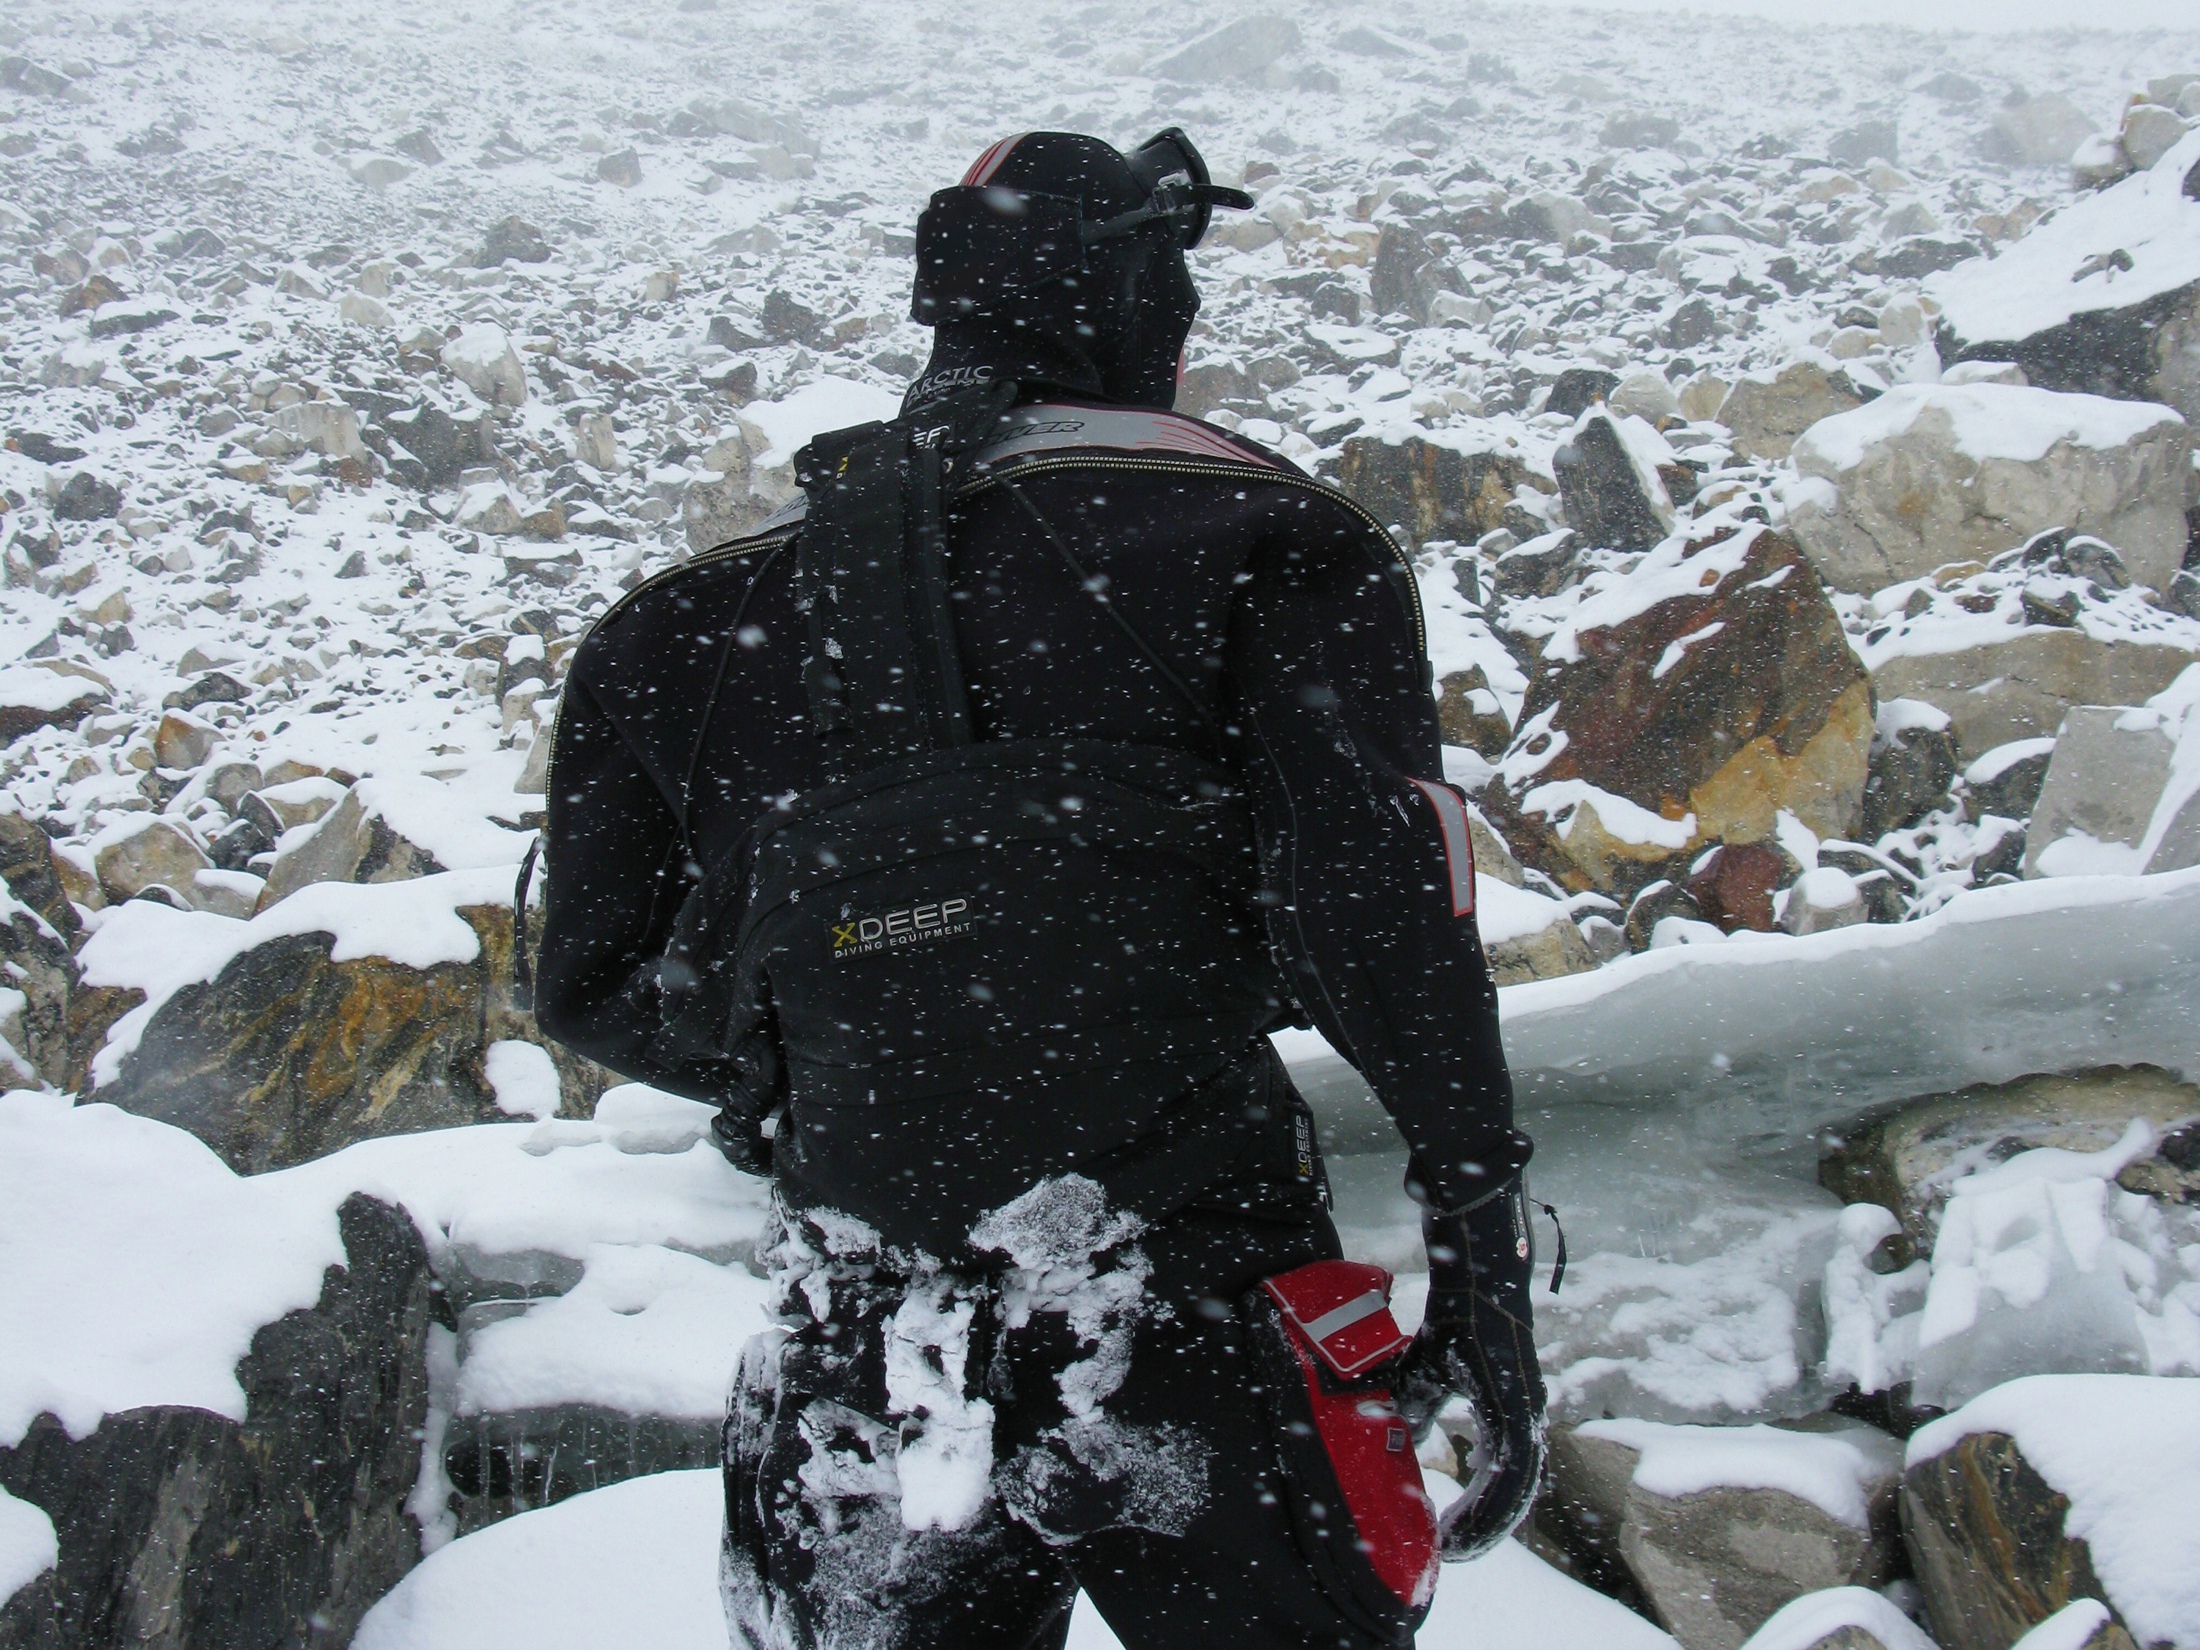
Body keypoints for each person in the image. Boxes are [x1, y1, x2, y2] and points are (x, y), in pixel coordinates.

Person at [533, 128, 1547, 1650]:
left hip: (862, 1343)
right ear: (1133, 293)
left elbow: (593, 986)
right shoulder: (1261, 536)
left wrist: (829, 1048)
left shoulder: (676, 629)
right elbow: (1377, 914)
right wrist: (1480, 1255)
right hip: (1197, 1297)